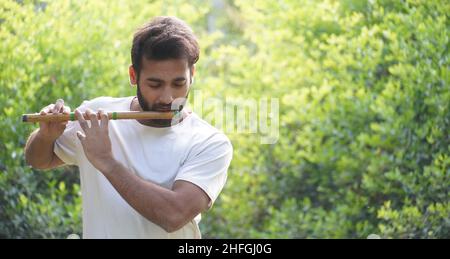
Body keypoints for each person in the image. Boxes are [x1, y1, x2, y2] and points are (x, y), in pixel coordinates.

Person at [24, 16, 233, 239]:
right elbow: (38, 160)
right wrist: (46, 136)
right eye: (155, 84)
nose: (167, 97)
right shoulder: (97, 115)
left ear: (192, 75)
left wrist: (106, 161)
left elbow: (174, 215)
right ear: (134, 76)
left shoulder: (209, 142)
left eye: (178, 83)